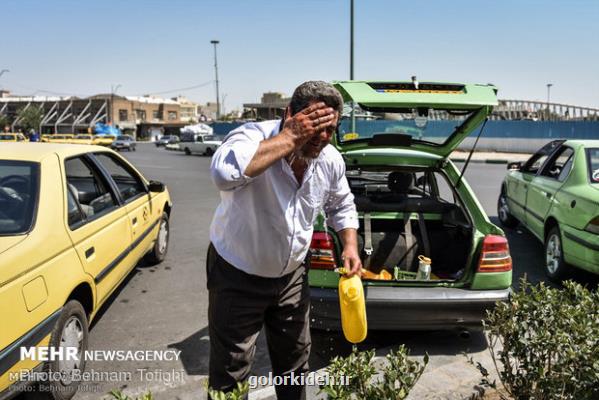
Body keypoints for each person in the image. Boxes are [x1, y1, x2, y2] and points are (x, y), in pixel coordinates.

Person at [207, 81, 361, 399]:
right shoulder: (252, 136)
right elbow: (223, 174)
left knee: (293, 364)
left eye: (329, 129)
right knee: (231, 372)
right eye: (313, 127)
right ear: (289, 114)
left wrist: (349, 245)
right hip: (237, 275)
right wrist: (290, 138)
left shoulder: (329, 159)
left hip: (291, 278)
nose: (321, 138)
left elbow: (341, 204)